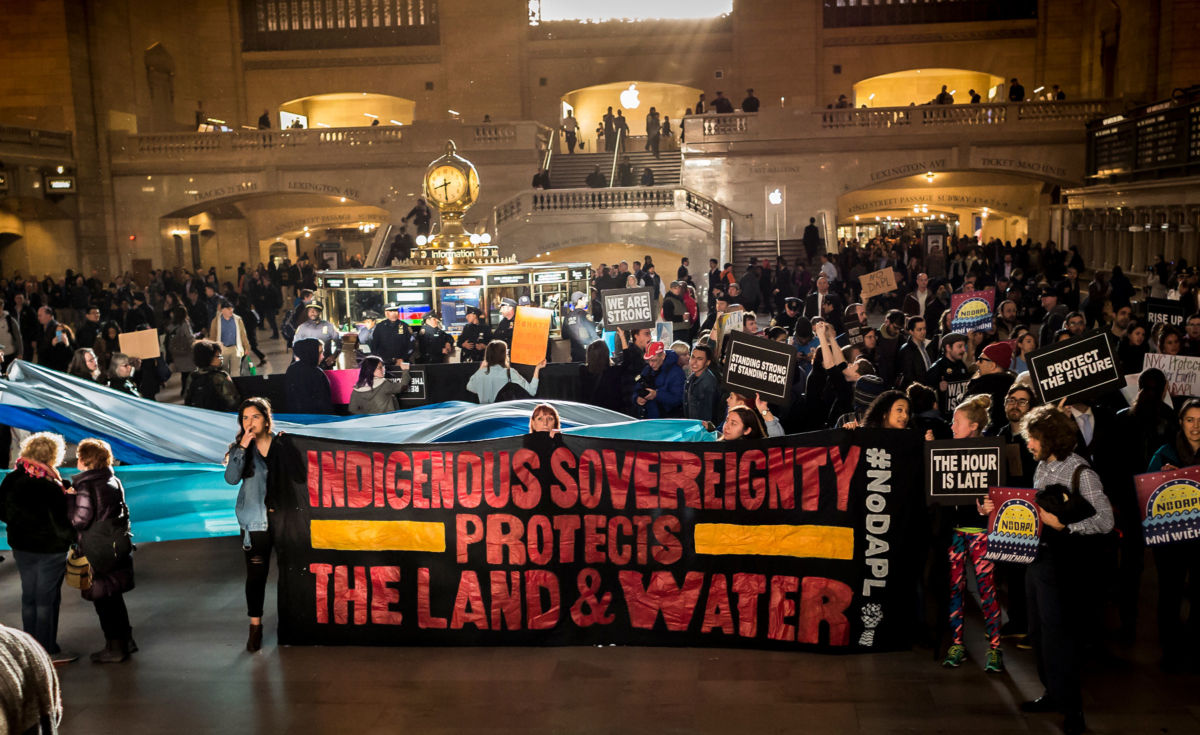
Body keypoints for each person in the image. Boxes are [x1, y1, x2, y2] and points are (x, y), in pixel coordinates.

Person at [1005, 405, 1113, 735]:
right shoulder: (1042, 467)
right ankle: (1052, 693)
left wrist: (1064, 526)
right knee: (1037, 634)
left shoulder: (1081, 472)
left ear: (1052, 437)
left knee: (1058, 638)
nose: (1029, 444)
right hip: (1037, 561)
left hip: (1063, 565)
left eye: (1034, 438)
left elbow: (1106, 521)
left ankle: (1073, 710)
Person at [940, 394, 1004, 674]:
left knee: (986, 589)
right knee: (955, 589)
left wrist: (991, 505)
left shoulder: (989, 453)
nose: (952, 426)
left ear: (974, 426)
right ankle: (956, 644)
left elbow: (1000, 493)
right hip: (955, 532)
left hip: (980, 533)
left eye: (957, 422)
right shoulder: (945, 452)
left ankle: (995, 649)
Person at [0, 432, 75, 663]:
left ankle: (30, 647)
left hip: (22, 546)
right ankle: (48, 650)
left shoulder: (12, 479)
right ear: (53, 455)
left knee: (29, 597)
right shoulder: (49, 486)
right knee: (47, 599)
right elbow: (61, 523)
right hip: (50, 550)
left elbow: (3, 511)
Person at [68, 438, 135, 663]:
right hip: (114, 545)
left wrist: (69, 500)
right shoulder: (112, 479)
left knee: (103, 601)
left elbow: (80, 520)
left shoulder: (86, 486)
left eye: (79, 455)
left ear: (86, 460)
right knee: (114, 597)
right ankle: (125, 641)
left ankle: (114, 648)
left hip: (96, 548)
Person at [1146, 398, 1200, 672]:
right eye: (1190, 420)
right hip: (1171, 539)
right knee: (1170, 593)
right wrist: (1165, 477)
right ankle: (1171, 650)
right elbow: (1148, 493)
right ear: (1180, 422)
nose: (1196, 426)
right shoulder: (1165, 453)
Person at [223, 397, 281, 652]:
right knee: (257, 576)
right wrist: (243, 447)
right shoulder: (240, 450)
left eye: (254, 417)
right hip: (256, 524)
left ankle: (290, 622)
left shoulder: (281, 444)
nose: (249, 422)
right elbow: (231, 479)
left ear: (266, 419)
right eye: (245, 418)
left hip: (284, 520)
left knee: (291, 575)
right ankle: (255, 626)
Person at [467, 340, 544, 404]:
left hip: (485, 416)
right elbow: (532, 391)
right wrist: (537, 369)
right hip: (503, 416)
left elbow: (470, 387)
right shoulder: (510, 373)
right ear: (504, 355)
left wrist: (481, 368)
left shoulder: (480, 374)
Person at [184, 340, 241, 412]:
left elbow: (187, 399)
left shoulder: (193, 376)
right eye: (218, 356)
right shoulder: (220, 376)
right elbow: (232, 401)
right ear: (208, 358)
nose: (221, 358)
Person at [634, 341, 684, 419]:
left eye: (654, 360)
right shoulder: (647, 370)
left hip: (668, 421)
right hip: (648, 419)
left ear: (663, 356)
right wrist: (637, 398)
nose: (651, 364)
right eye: (648, 360)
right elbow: (637, 388)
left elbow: (678, 399)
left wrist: (657, 395)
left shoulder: (676, 373)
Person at [286, 339, 333, 414]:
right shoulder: (317, 374)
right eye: (320, 353)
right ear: (311, 353)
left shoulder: (292, 369)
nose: (323, 356)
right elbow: (325, 403)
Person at [292, 302, 340, 368]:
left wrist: (334, 356)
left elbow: (339, 343)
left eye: (315, 310)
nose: (312, 312)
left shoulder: (329, 326)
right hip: (307, 366)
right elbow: (295, 346)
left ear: (320, 312)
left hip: (325, 364)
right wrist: (298, 360)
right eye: (310, 310)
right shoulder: (301, 328)